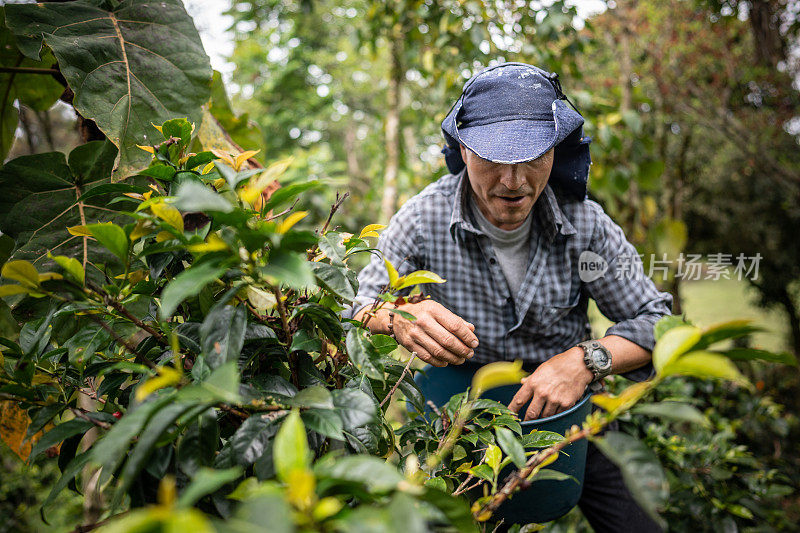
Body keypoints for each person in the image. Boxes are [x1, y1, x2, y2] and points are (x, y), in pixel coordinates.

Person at [348, 62, 671, 532]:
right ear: (463, 148)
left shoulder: (587, 225)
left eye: (532, 156)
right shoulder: (422, 218)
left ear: (556, 152)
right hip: (460, 417)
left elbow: (657, 323)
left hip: (571, 407)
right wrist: (400, 316)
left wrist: (585, 361)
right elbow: (357, 308)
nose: (513, 181)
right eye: (493, 158)